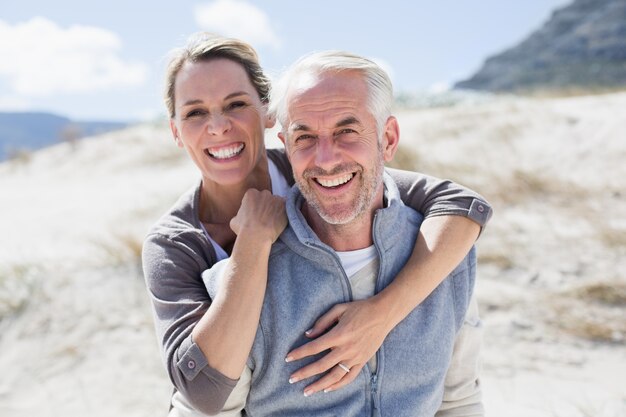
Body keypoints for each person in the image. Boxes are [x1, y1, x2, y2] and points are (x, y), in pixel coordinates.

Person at [142, 32, 492, 416]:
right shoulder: (175, 246)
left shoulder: (320, 170)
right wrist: (253, 244)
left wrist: (383, 314)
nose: (218, 126)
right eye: (194, 112)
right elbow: (203, 397)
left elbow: (459, 204)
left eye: (236, 104)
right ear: (175, 130)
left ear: (267, 112)